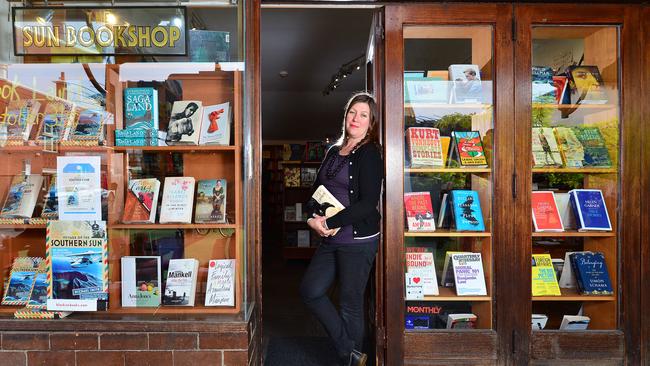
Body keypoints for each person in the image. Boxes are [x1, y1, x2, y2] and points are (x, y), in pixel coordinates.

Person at [300, 92, 383, 366]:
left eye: (363, 115)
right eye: (352, 112)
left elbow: (368, 204)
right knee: (311, 290)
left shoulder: (370, 153)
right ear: (345, 115)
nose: (355, 119)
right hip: (329, 238)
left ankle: (350, 359)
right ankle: (350, 352)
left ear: (371, 123)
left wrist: (330, 223)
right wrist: (312, 218)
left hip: (357, 241)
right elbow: (316, 191)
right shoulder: (334, 151)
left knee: (350, 303)